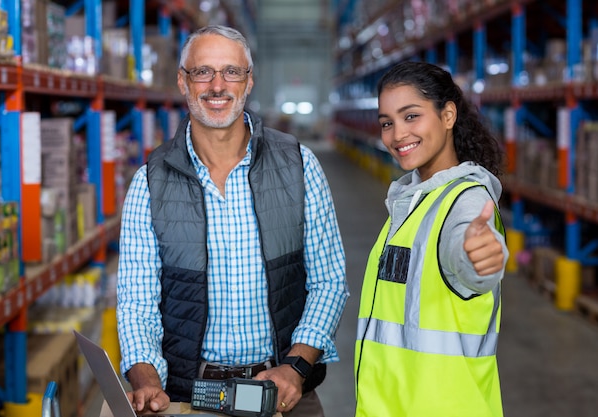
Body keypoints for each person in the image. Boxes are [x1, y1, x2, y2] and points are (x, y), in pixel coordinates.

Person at [116, 25, 349, 417]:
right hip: (189, 395)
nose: (217, 85)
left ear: (249, 81)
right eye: (202, 71)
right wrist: (147, 381)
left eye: (231, 72)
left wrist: (296, 367)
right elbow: (137, 303)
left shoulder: (298, 165)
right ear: (182, 82)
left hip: (284, 391)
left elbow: (329, 281)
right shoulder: (150, 182)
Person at [354, 61, 508, 417]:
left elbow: (469, 257)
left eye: (411, 117)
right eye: (387, 123)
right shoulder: (414, 201)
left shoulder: (466, 200)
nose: (397, 135)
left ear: (448, 115)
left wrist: (480, 260)